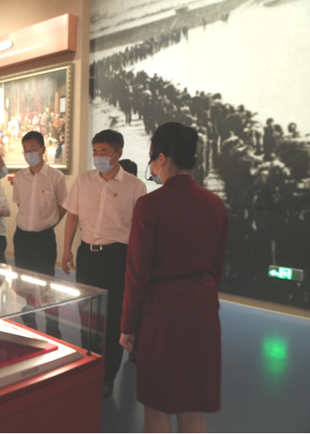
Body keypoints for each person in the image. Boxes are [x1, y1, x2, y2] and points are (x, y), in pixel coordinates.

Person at [119, 122, 229, 433]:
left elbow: (138, 273)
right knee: (192, 409)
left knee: (157, 409)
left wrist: (127, 325)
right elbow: (216, 267)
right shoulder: (215, 204)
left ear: (162, 158)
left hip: (161, 316)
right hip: (203, 312)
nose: (152, 166)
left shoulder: (149, 205)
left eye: (152, 158)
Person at [62, 130, 147, 397]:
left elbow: (139, 229)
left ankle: (108, 375)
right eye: (95, 152)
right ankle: (89, 366)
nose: (98, 157)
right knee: (86, 314)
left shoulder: (135, 186)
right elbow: (72, 216)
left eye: (104, 152)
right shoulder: (83, 181)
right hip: (88, 255)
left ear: (118, 153)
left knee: (113, 317)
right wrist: (66, 249)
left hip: (117, 257)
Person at [12, 131, 68, 339]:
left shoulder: (56, 177)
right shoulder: (20, 177)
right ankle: (29, 324)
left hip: (44, 239)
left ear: (43, 150)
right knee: (24, 284)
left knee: (47, 285)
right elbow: (20, 204)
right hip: (21, 238)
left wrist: (49, 222)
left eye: (33, 149)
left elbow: (63, 205)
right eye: (26, 150)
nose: (29, 154)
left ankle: (52, 329)